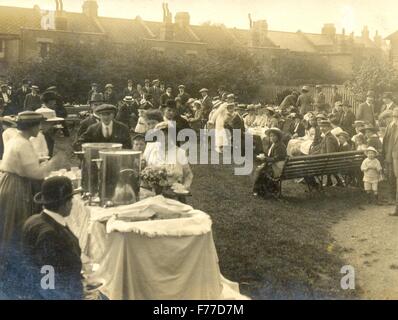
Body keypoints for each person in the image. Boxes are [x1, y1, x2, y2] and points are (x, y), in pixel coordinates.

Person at [0, 111, 63, 263]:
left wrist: (40, 161)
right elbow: (35, 174)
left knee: (11, 224)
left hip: (9, 182)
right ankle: (16, 262)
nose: (40, 128)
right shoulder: (22, 144)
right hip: (17, 187)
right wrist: (54, 162)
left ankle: (11, 259)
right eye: (38, 125)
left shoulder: (17, 139)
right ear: (31, 126)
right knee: (19, 223)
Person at [21, 176, 83, 299]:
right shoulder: (50, 235)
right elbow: (47, 283)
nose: (72, 204)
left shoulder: (33, 220)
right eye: (71, 200)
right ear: (65, 204)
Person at [144, 121, 193, 191]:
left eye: (167, 134)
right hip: (152, 193)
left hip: (173, 193)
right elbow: (142, 171)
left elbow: (188, 175)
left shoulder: (180, 152)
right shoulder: (150, 148)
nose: (163, 136)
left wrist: (184, 187)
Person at [253, 128, 287, 199]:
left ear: (278, 137)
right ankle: (263, 190)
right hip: (278, 166)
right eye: (271, 136)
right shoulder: (275, 144)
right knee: (261, 169)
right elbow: (272, 156)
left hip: (278, 168)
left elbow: (276, 158)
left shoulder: (280, 146)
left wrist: (265, 159)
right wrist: (264, 156)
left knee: (260, 170)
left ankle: (260, 191)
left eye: (274, 136)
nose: (272, 137)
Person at [382, 108, 398, 213]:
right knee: (393, 181)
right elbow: (385, 142)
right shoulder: (390, 126)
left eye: (397, 116)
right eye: (394, 116)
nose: (395, 118)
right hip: (391, 158)